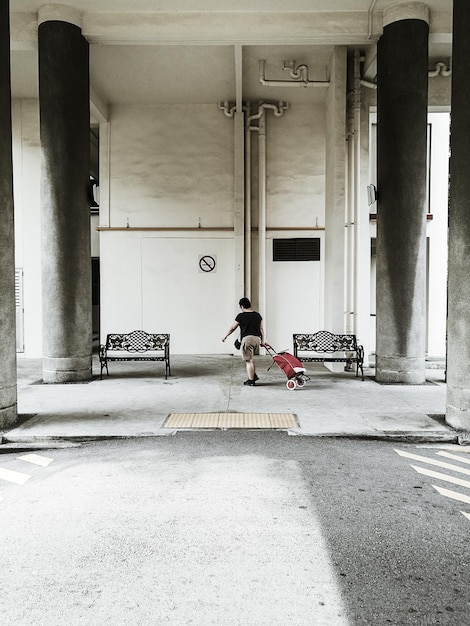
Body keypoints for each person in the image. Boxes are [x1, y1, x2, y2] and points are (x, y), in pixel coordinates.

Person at [222, 297, 266, 386]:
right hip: (257, 339)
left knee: (248, 360)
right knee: (251, 359)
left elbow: (232, 328)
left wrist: (225, 336)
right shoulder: (257, 315)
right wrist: (263, 341)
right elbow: (261, 329)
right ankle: (253, 375)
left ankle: (251, 381)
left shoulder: (241, 316)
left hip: (247, 340)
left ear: (242, 306)